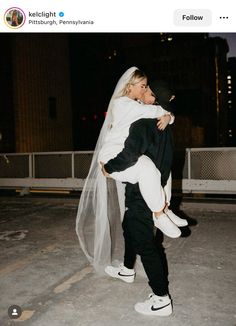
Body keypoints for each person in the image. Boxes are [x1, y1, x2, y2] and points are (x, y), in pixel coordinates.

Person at [104, 81, 181, 316]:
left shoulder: (141, 123)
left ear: (153, 99)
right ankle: (127, 269)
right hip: (153, 188)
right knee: (129, 227)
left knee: (146, 244)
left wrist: (108, 167)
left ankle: (161, 299)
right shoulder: (163, 124)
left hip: (140, 193)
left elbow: (129, 155)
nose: (143, 92)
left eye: (147, 90)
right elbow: (167, 160)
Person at [98, 67, 181, 238]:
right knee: (147, 168)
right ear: (130, 86)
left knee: (161, 170)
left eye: (146, 86)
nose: (145, 89)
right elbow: (155, 111)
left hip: (127, 153)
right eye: (142, 86)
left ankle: (165, 207)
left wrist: (168, 117)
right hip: (114, 154)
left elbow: (154, 111)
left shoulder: (135, 105)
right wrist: (168, 116)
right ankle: (158, 214)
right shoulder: (121, 104)